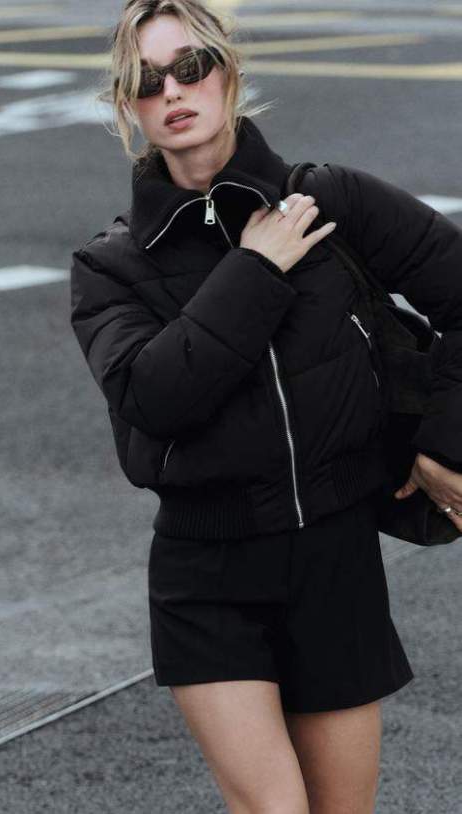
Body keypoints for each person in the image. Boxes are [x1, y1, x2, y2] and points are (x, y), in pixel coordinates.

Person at [69, 1, 462, 811]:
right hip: (206, 576)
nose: (172, 91)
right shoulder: (111, 266)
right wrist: (254, 268)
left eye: (189, 67)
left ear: (227, 72)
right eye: (145, 80)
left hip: (334, 561)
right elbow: (154, 398)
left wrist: (440, 441)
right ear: (125, 107)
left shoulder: (329, 202)